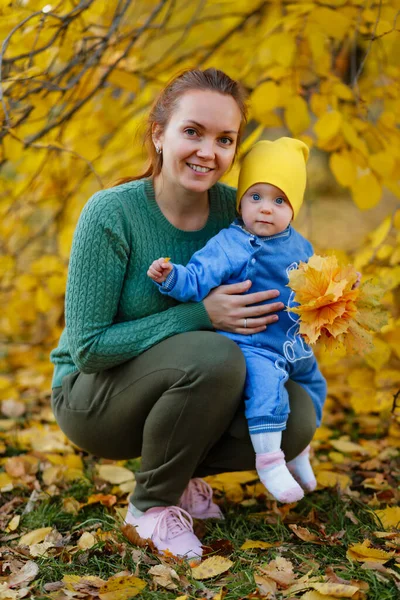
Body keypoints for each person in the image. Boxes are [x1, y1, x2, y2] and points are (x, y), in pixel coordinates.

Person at [49, 68, 318, 561]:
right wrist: (201, 314)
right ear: (159, 132)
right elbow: (87, 350)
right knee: (214, 355)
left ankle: (180, 470)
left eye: (224, 139)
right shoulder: (111, 214)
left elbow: (280, 280)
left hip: (188, 391)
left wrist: (320, 305)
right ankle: (150, 509)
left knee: (297, 414)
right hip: (94, 399)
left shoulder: (236, 210)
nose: (207, 151)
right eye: (192, 131)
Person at [148, 137, 327, 505]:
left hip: (294, 342)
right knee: (266, 394)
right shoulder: (232, 243)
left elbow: (319, 283)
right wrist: (171, 277)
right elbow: (198, 277)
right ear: (241, 200)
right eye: (256, 197)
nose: (265, 209)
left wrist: (339, 292)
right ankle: (269, 459)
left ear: (294, 208)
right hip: (255, 344)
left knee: (314, 386)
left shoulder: (300, 245)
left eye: (279, 200)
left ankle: (299, 451)